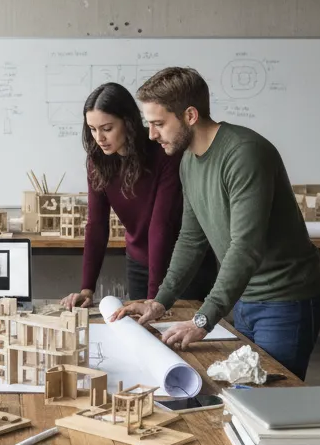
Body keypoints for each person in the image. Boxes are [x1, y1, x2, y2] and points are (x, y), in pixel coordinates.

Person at [111, 66, 320, 445]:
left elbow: (245, 247)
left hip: (285, 299)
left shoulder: (245, 153)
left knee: (274, 428)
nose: (151, 133)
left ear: (189, 115)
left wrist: (204, 318)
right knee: (243, 420)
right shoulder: (187, 161)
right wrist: (161, 301)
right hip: (248, 302)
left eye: (158, 123)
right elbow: (193, 237)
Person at [60, 82, 215, 308]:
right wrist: (87, 288)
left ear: (128, 122)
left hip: (184, 265)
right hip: (139, 261)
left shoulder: (164, 152)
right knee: (140, 332)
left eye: (107, 128)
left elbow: (160, 224)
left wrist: (154, 300)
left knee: (180, 335)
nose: (99, 138)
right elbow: (96, 224)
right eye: (92, 129)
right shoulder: (98, 160)